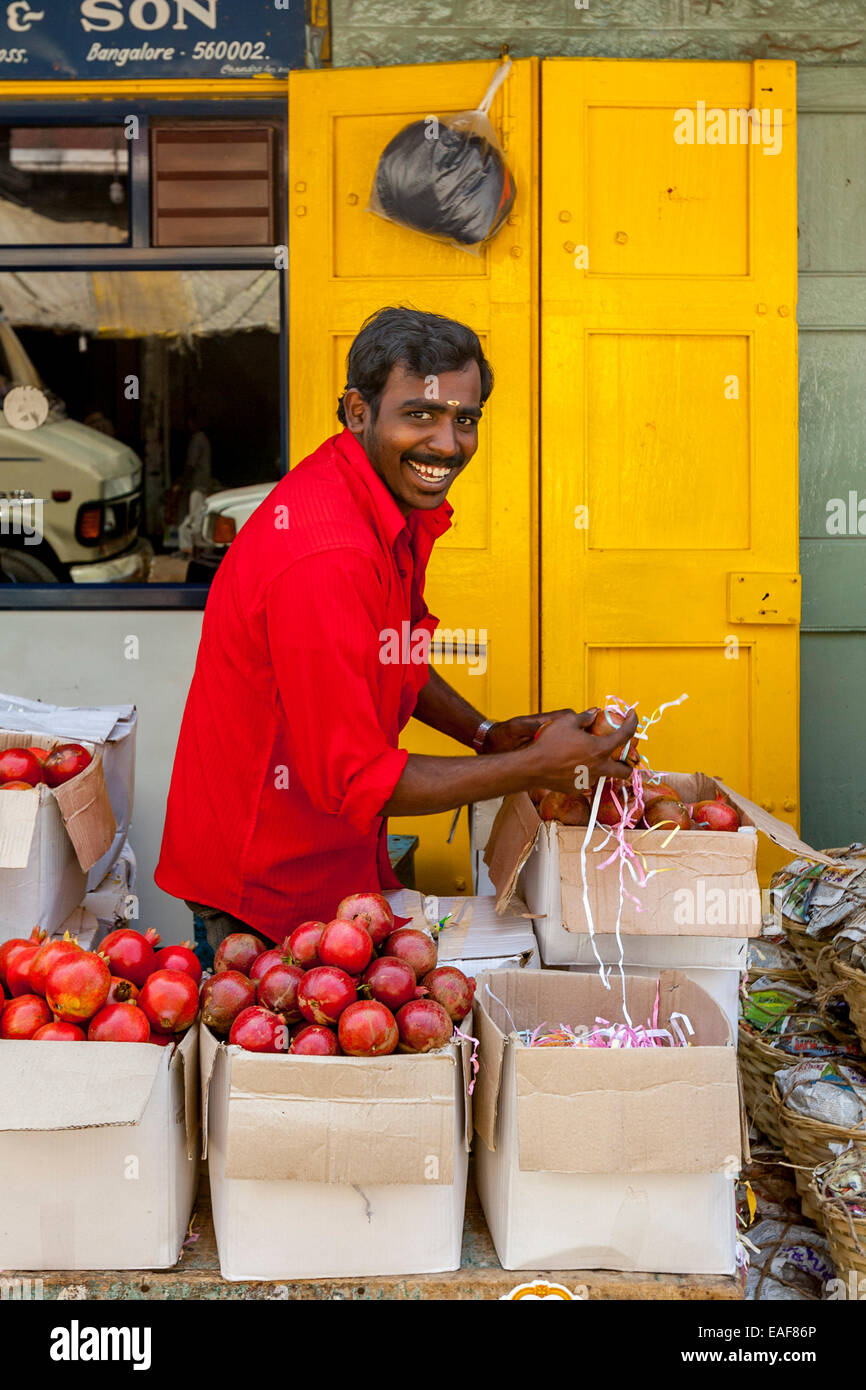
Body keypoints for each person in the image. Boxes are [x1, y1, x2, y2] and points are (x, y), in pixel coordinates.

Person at [155, 307, 636, 951]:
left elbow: (393, 651)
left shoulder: (378, 500)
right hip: (265, 889)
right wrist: (531, 769)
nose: (447, 443)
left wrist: (485, 734)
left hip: (325, 862)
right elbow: (354, 781)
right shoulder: (331, 553)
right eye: (420, 415)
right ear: (358, 410)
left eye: (465, 419)